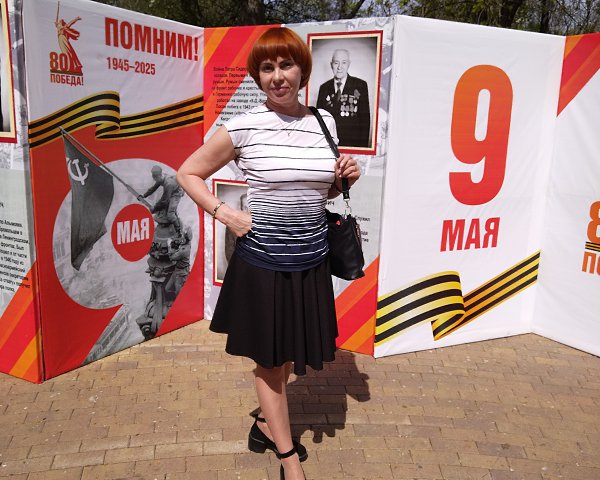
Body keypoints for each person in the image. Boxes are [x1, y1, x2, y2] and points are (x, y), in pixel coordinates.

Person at [177, 27, 360, 480]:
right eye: (267, 68)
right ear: (258, 77)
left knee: (287, 353)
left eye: (286, 65)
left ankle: (263, 425)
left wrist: (343, 179)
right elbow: (188, 173)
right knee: (269, 361)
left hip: (311, 261)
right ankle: (287, 458)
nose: (278, 76)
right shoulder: (244, 125)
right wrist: (226, 214)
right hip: (263, 264)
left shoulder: (324, 121)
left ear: (302, 71)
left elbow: (320, 190)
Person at [316, 49, 371, 148]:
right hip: (329, 145)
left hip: (352, 145)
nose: (339, 67)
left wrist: (362, 149)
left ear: (349, 64)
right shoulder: (324, 88)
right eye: (336, 63)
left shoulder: (360, 85)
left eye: (344, 63)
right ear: (331, 65)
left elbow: (365, 121)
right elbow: (319, 120)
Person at [139, 166, 184, 234]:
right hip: (171, 191)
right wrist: (144, 195)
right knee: (164, 209)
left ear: (159, 176)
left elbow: (165, 200)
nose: (155, 181)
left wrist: (155, 208)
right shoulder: (160, 178)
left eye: (155, 178)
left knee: (170, 214)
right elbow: (153, 188)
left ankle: (179, 231)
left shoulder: (168, 183)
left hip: (176, 193)